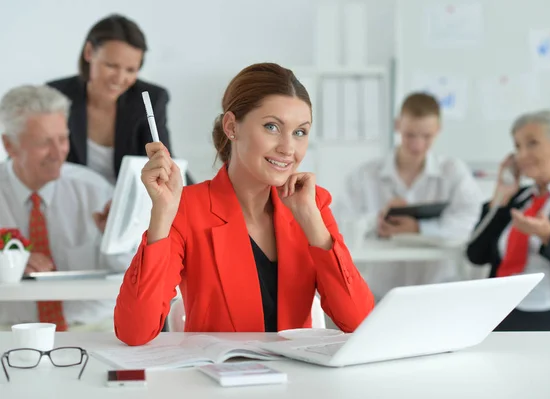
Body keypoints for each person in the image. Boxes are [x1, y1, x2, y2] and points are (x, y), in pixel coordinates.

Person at [114, 63, 375, 346]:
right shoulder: (187, 208)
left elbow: (359, 322)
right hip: (219, 382)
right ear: (231, 127)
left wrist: (312, 222)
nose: (288, 148)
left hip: (296, 383)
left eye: (300, 132)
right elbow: (134, 332)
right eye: (272, 127)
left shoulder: (312, 204)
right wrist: (162, 214)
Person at [0, 85, 134, 331]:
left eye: (62, 139)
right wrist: (7, 264)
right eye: (43, 142)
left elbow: (132, 273)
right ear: (9, 145)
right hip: (11, 330)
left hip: (94, 328)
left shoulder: (94, 189)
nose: (58, 153)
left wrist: (113, 238)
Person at [336, 93, 483, 300]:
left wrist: (419, 229)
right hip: (382, 295)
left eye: (426, 136)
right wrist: (377, 220)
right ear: (398, 126)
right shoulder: (364, 175)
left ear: (438, 130)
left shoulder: (453, 172)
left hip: (438, 292)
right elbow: (341, 226)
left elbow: (466, 224)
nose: (417, 145)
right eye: (410, 135)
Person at [467, 110, 550, 331]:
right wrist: (501, 198)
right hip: (501, 307)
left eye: (532, 144)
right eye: (517, 147)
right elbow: (475, 255)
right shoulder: (518, 199)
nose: (522, 155)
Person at [47, 14, 191, 185]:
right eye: (111, 66)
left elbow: (165, 162)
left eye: (130, 70)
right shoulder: (56, 94)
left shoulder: (152, 99)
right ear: (88, 52)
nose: (119, 78)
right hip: (73, 199)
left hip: (130, 199)